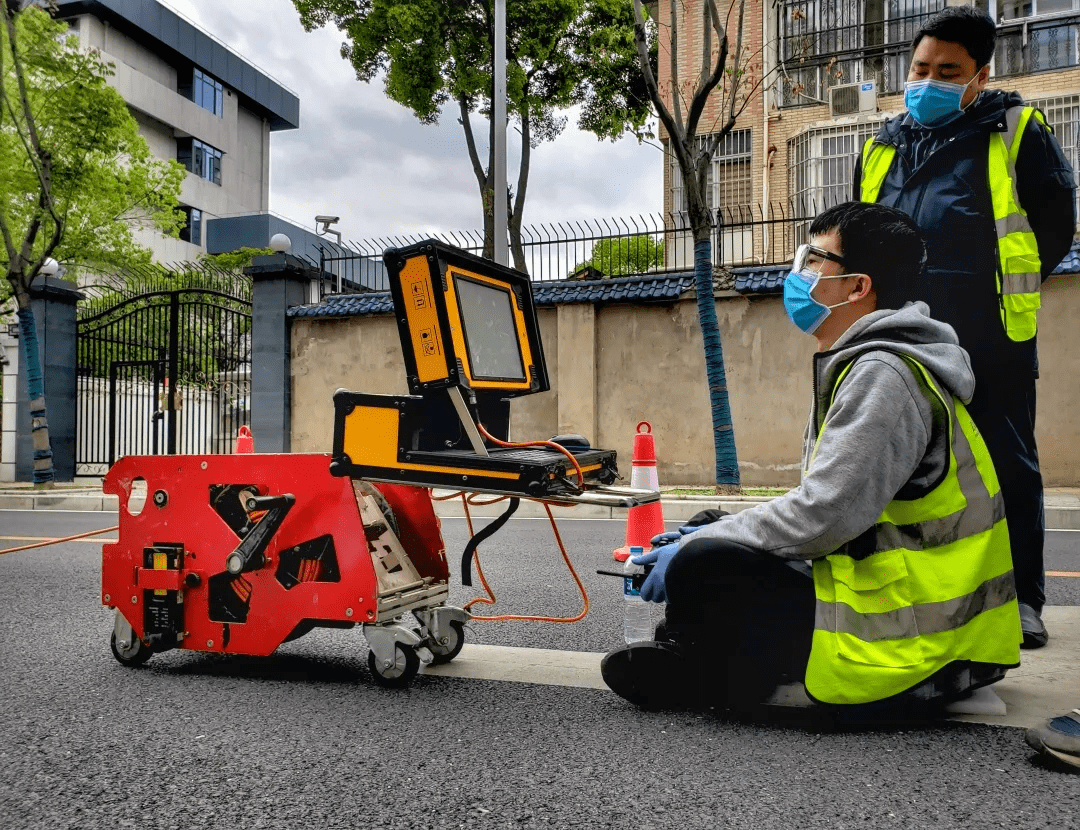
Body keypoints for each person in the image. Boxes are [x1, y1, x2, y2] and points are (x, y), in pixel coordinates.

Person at [601, 201, 1022, 718]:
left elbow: (821, 518)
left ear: (857, 286)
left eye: (814, 259)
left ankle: (715, 673)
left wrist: (698, 547)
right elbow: (824, 511)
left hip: (916, 633)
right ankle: (701, 652)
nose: (797, 273)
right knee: (710, 527)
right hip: (896, 595)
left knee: (706, 560)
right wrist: (702, 531)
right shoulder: (862, 363)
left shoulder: (882, 375)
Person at [853, 6, 1076, 649]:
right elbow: (862, 231)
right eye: (920, 68)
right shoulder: (884, 142)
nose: (927, 80)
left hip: (990, 331)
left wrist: (988, 284)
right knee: (904, 463)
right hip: (901, 331)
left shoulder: (1015, 129)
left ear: (980, 74)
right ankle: (917, 591)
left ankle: (1023, 599)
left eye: (947, 71)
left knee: (1005, 464)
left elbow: (1053, 228)